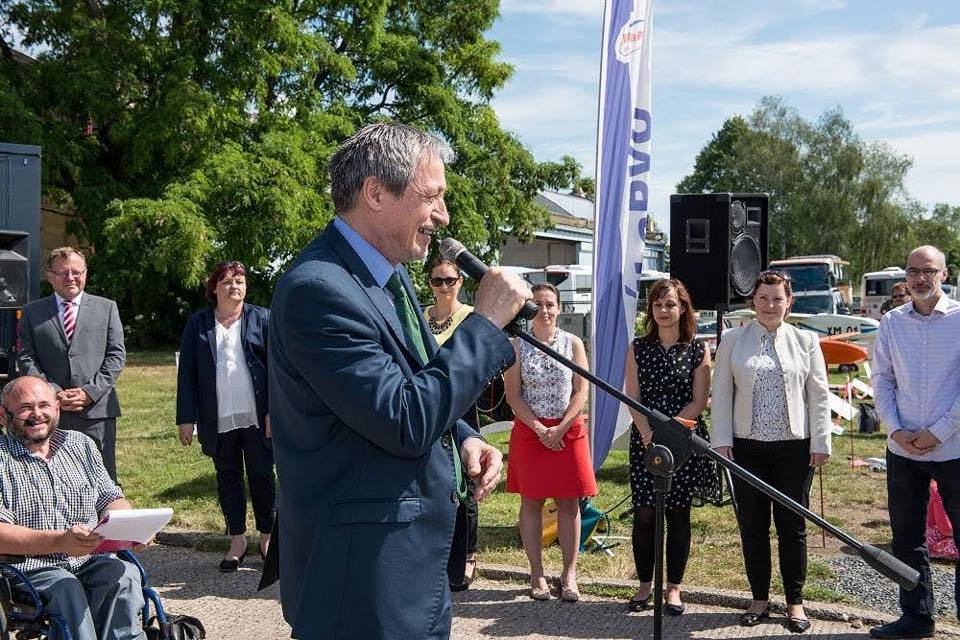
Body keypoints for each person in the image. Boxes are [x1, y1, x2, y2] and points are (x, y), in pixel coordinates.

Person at [268, 122, 529, 640]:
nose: (444, 216)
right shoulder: (317, 290)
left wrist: (465, 437)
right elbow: (404, 418)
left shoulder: (387, 276)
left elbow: (419, 379)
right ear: (376, 193)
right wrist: (484, 324)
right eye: (432, 196)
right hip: (361, 583)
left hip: (412, 572)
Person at [711, 270, 831, 634]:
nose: (769, 305)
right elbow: (723, 393)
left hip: (795, 448)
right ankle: (759, 599)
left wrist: (820, 442)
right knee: (753, 526)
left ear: (788, 302)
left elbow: (819, 394)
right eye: (763, 298)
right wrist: (721, 441)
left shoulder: (806, 341)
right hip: (745, 447)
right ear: (753, 301)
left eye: (777, 298)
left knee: (792, 527)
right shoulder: (733, 339)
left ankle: (795, 602)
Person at [0, 375, 146, 640]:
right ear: (3, 415)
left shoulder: (81, 445)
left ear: (56, 408)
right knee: (68, 587)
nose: (37, 415)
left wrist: (131, 527)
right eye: (25, 408)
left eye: (44, 405)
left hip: (90, 558)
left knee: (124, 573)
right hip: (29, 567)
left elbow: (110, 497)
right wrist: (60, 541)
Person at [869, 245, 960, 640]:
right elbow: (882, 380)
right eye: (912, 271)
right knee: (906, 538)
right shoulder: (891, 322)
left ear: (944, 274)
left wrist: (938, 431)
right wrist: (895, 429)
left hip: (955, 448)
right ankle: (916, 619)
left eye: (928, 271)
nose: (920, 278)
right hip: (902, 449)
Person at [624, 279, 717, 615]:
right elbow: (631, 397)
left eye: (670, 305)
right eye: (658, 305)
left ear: (683, 309)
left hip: (683, 441)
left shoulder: (697, 348)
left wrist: (673, 432)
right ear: (651, 310)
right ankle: (644, 585)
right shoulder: (638, 347)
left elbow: (699, 400)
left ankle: (674, 588)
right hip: (645, 439)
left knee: (678, 514)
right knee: (646, 515)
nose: (664, 311)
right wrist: (648, 432)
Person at [175, 260, 274, 572]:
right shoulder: (198, 324)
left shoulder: (263, 318)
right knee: (228, 477)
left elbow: (278, 370)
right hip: (217, 417)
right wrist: (185, 418)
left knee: (261, 475)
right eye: (228, 282)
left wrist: (275, 411)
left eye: (240, 282)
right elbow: (187, 374)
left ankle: (268, 537)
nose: (235, 287)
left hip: (257, 415)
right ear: (214, 288)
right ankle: (237, 540)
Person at [504, 282, 596, 603]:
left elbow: (581, 390)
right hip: (531, 432)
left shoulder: (573, 343)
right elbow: (513, 395)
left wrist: (560, 428)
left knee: (569, 502)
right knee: (532, 501)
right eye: (538, 305)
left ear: (559, 308)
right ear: (528, 308)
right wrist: (540, 428)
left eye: (550, 304)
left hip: (568, 431)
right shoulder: (517, 346)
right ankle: (537, 573)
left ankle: (569, 574)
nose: (544, 310)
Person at [17, 247, 126, 482]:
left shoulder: (106, 308)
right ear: (50, 276)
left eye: (77, 272)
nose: (71, 278)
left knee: (102, 477)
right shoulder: (31, 312)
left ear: (85, 273)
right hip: (49, 413)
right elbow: (26, 357)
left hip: (96, 412)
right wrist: (52, 392)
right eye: (63, 273)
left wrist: (90, 392)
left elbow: (116, 356)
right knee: (52, 477)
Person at [424, 256, 480, 590]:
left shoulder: (471, 317)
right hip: (429, 408)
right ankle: (437, 554)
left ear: (461, 281)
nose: (444, 286)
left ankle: (468, 554)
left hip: (462, 408)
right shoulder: (419, 317)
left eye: (450, 280)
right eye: (437, 280)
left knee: (466, 484)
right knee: (435, 481)